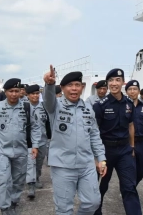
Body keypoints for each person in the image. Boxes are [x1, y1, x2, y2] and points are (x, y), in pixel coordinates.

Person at [43, 65, 107, 215]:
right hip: (62, 165)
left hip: (86, 165)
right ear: (63, 88)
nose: (74, 89)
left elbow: (94, 136)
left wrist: (101, 159)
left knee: (93, 202)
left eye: (77, 85)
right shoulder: (55, 107)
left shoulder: (88, 109)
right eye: (70, 85)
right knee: (64, 208)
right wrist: (49, 84)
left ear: (82, 88)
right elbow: (48, 99)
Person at [0, 78, 40, 215]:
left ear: (20, 92)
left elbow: (35, 127)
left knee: (18, 180)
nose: (14, 94)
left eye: (16, 91)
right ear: (5, 92)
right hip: (2, 151)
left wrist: (35, 145)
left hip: (21, 150)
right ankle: (4, 207)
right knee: (4, 180)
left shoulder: (27, 107)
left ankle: (13, 201)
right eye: (11, 91)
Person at [93, 68, 142, 215]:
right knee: (101, 186)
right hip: (105, 151)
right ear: (108, 83)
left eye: (117, 80)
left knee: (129, 187)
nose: (114, 83)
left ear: (122, 82)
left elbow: (131, 126)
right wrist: (96, 156)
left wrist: (132, 146)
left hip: (124, 151)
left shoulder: (128, 104)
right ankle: (96, 212)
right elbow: (93, 132)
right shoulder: (100, 106)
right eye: (111, 80)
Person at [25, 84, 51, 199]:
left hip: (43, 140)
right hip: (29, 142)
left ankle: (37, 177)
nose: (35, 95)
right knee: (31, 163)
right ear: (28, 95)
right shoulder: (24, 107)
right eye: (33, 94)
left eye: (37, 93)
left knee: (39, 162)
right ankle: (31, 185)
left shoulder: (44, 107)